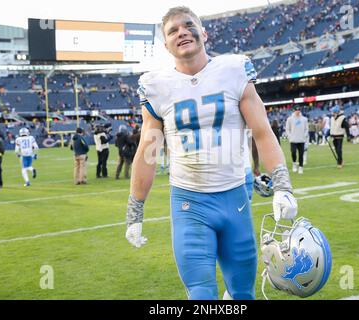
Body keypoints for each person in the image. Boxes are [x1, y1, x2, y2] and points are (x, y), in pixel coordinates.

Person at [124, 6, 298, 300]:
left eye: (188, 25)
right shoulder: (157, 87)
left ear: (203, 33)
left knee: (243, 293)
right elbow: (148, 150)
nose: (182, 32)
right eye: (173, 30)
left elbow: (262, 131)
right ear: (165, 45)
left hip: (235, 196)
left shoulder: (233, 71)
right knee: (201, 293)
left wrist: (282, 184)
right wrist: (135, 209)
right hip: (189, 202)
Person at [285, 106, 308, 174]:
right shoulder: (290, 119)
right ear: (293, 110)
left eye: (299, 110)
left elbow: (306, 129)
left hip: (301, 140)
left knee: (301, 154)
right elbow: (287, 129)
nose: (297, 111)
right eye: (296, 110)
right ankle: (294, 164)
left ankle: (301, 167)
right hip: (293, 140)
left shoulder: (304, 119)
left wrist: (304, 136)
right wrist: (290, 137)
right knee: (293, 152)